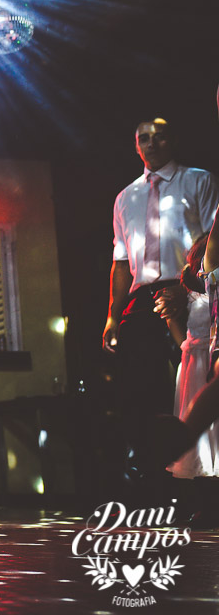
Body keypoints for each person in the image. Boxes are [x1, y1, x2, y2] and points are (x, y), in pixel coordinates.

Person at [103, 119, 218, 474]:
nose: (151, 143)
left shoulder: (198, 180)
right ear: (136, 145)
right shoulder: (125, 197)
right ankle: (152, 476)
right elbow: (121, 261)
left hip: (191, 289)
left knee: (190, 381)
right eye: (144, 138)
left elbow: (213, 242)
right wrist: (113, 314)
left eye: (159, 136)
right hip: (143, 296)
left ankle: (199, 478)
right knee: (142, 389)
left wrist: (190, 286)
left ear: (173, 140)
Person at [153, 235, 218, 478]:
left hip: (212, 355)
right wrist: (187, 349)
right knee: (200, 427)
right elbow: (177, 324)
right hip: (195, 360)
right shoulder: (189, 292)